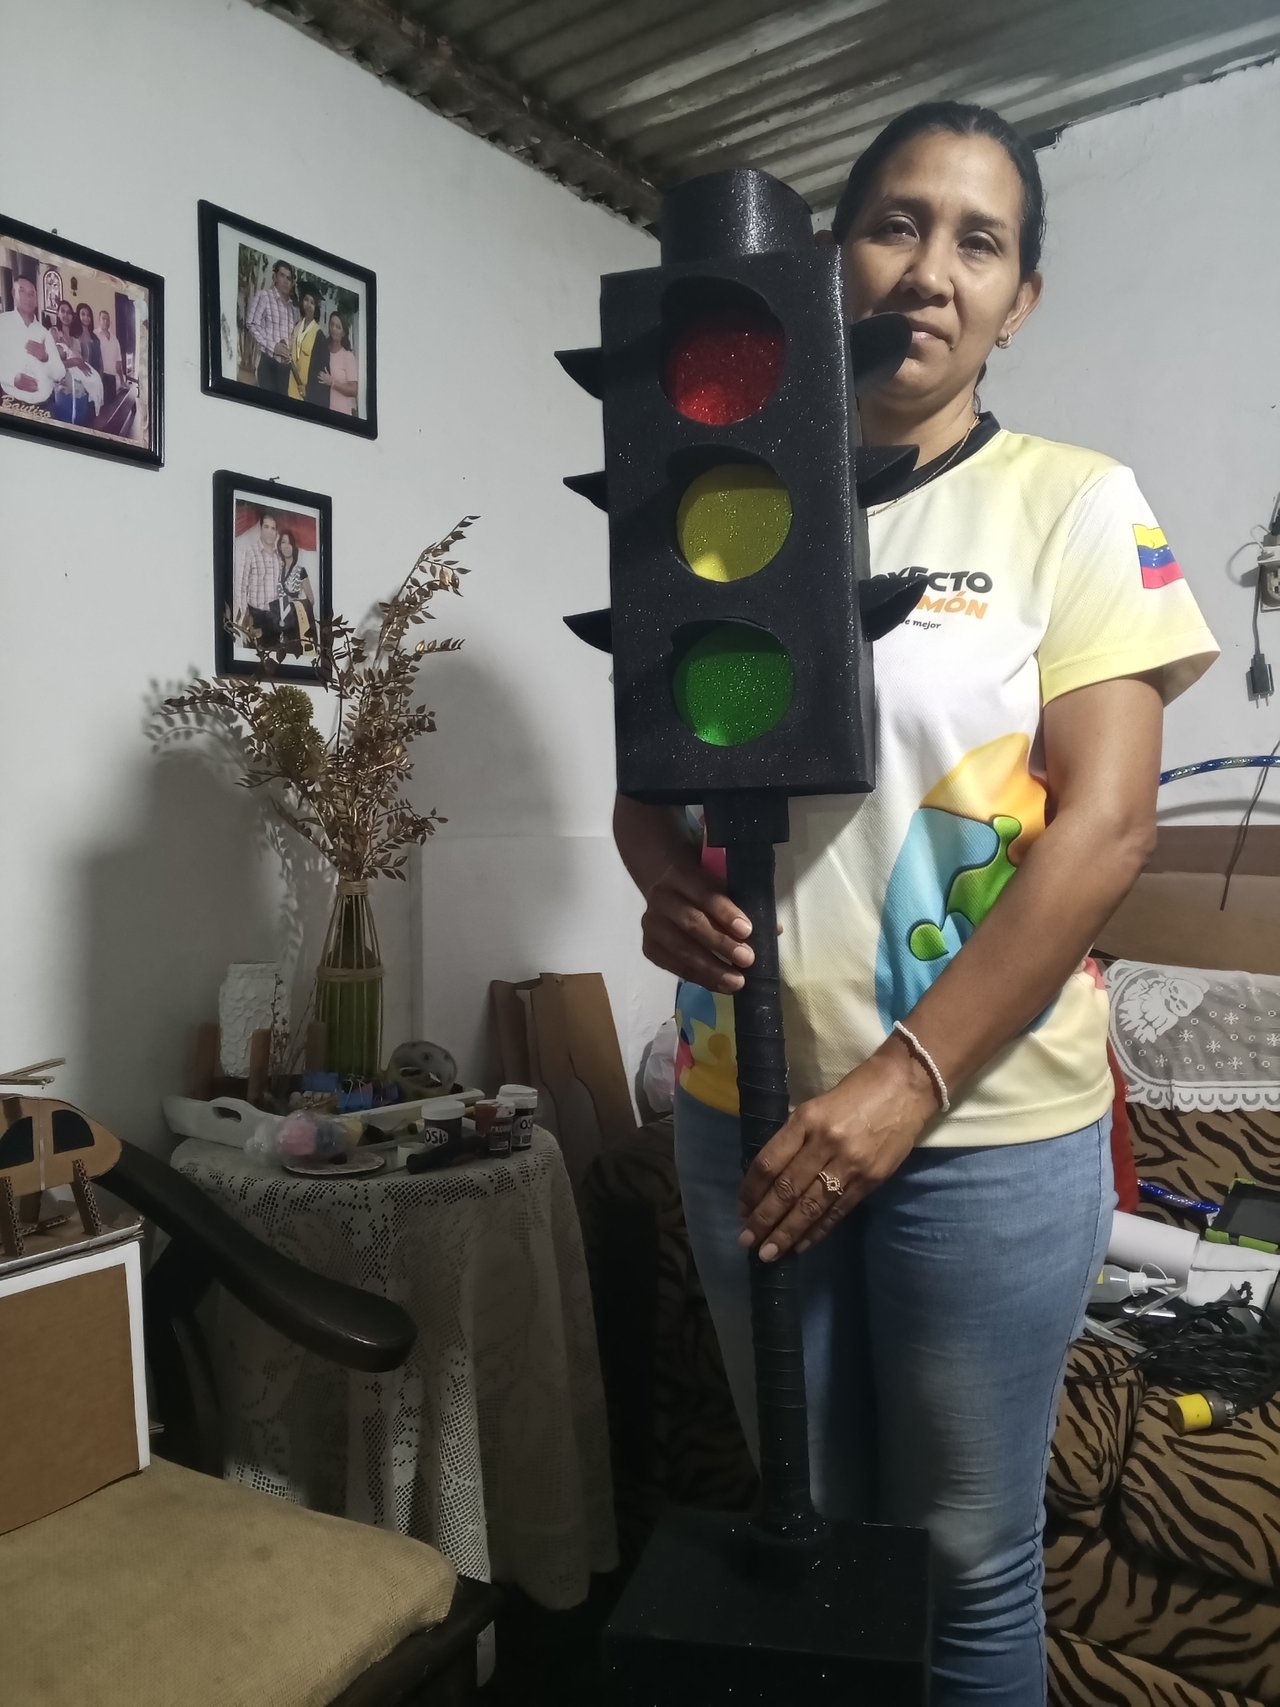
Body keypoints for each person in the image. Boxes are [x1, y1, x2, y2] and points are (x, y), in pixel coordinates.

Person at [611, 103, 1219, 1707]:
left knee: (963, 1557)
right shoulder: (717, 492)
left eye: (980, 241)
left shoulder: (1074, 504)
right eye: (896, 223)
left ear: (1020, 300)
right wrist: (663, 882)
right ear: (830, 261)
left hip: (985, 1128)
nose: (931, 269)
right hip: (743, 1107)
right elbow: (649, 775)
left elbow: (1107, 828)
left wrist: (905, 1078)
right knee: (810, 1532)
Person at [0, 275, 65, 406]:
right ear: (13, 292)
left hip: (43, 406)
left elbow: (60, 373)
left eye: (32, 294)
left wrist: (45, 358)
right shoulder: (3, 323)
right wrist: (13, 379)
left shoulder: (44, 333)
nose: (28, 297)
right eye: (22, 291)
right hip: (11, 403)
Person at [244, 259, 298, 394]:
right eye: (282, 275)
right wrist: (274, 346)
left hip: (286, 369)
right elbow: (251, 323)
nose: (285, 281)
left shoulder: (293, 309)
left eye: (289, 278)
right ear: (275, 277)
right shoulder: (264, 296)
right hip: (268, 363)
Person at [233, 510, 283, 645]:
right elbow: (241, 587)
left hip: (274, 617)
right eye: (266, 527)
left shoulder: (279, 556)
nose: (269, 532)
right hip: (255, 616)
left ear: (276, 532)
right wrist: (244, 618)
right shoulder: (250, 552)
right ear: (260, 528)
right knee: (253, 655)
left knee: (274, 655)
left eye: (273, 528)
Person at [49, 298, 101, 426]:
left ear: (72, 316)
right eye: (63, 311)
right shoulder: (53, 333)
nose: (66, 315)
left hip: (80, 393)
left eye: (69, 312)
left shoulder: (75, 340)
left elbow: (82, 365)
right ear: (58, 314)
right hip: (64, 391)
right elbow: (50, 365)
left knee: (81, 426)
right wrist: (74, 362)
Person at [274, 528, 318, 654]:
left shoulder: (300, 571)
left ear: (294, 547)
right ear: (279, 546)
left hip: (296, 621)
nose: (286, 546)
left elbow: (311, 599)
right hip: (280, 620)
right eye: (283, 542)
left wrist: (296, 606)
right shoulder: (277, 570)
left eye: (289, 543)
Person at [314, 310, 358, 415]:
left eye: (338, 327)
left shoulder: (347, 356)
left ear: (343, 333)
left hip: (341, 412)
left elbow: (354, 390)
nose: (334, 328)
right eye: (332, 324)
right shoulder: (322, 349)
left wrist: (332, 383)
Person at [287, 284, 323, 402]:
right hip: (292, 385)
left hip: (307, 392)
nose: (308, 305)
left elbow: (319, 370)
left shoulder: (319, 334)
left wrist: (309, 389)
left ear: (316, 307)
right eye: (306, 300)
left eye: (312, 303)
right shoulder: (297, 326)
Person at [96, 309, 125, 404]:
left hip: (112, 378)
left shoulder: (114, 339)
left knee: (112, 406)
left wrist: (122, 380)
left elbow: (118, 362)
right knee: (101, 407)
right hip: (100, 376)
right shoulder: (95, 335)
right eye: (103, 318)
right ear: (99, 320)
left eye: (108, 319)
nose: (106, 321)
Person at [76, 303, 102, 374]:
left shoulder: (95, 337)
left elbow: (100, 360)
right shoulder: (76, 337)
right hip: (84, 375)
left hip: (97, 375)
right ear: (78, 316)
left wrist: (101, 375)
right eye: (83, 314)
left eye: (88, 315)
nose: (86, 317)